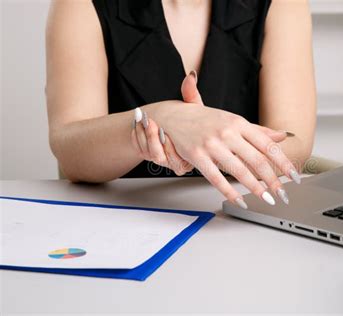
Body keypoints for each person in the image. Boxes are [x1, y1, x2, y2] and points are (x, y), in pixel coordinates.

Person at [45, 0, 316, 208]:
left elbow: (294, 144)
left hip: (242, 219)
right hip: (120, 215)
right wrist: (160, 118)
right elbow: (70, 148)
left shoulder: (282, 4)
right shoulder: (79, 5)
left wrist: (207, 137)